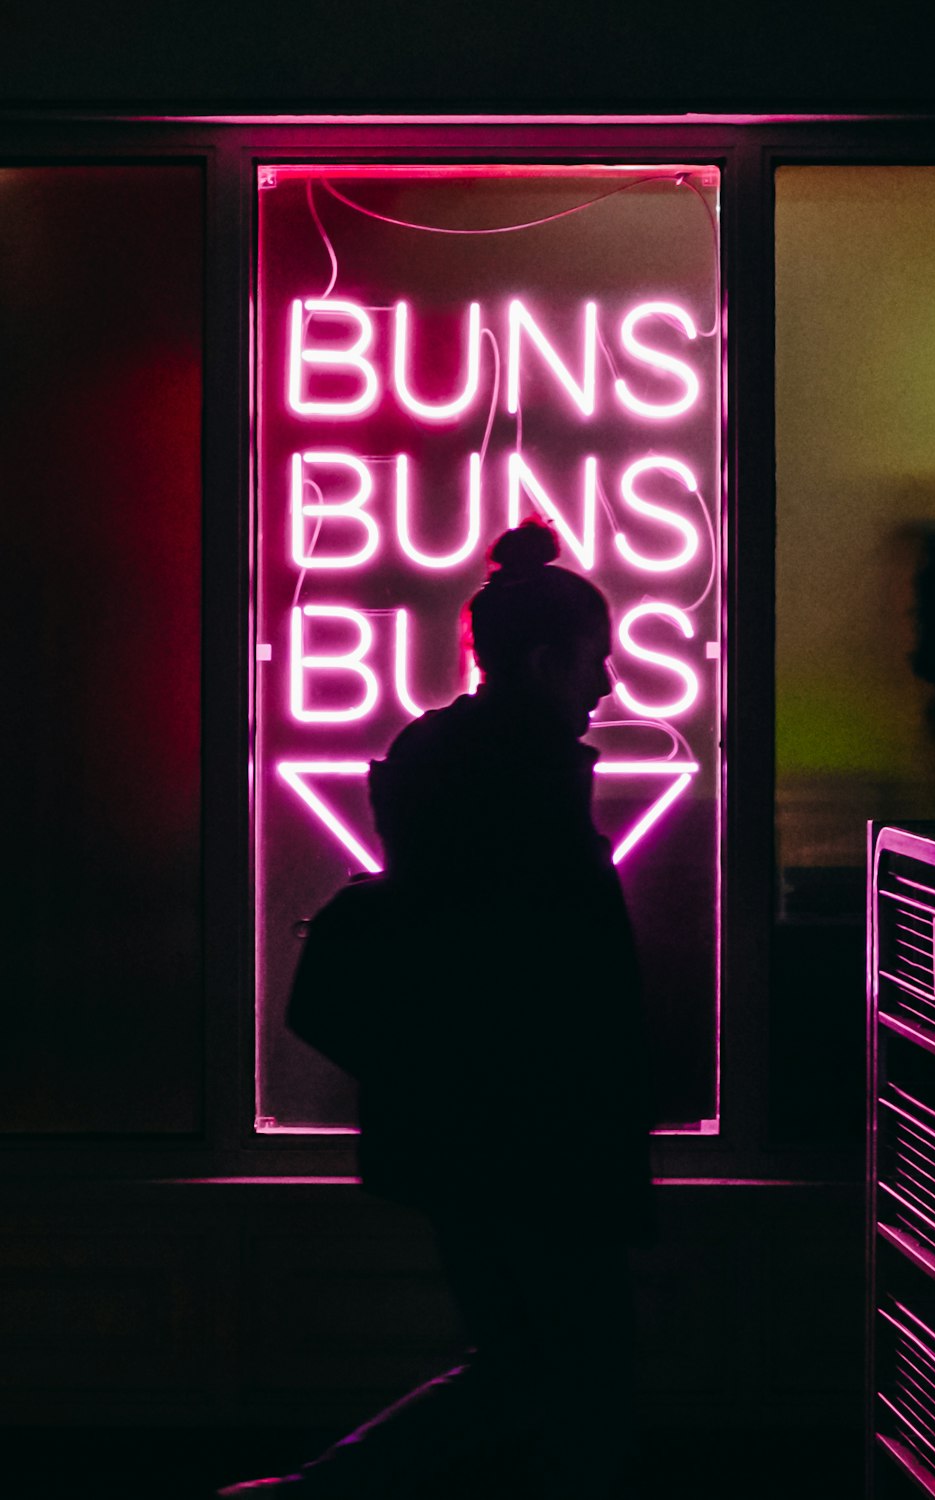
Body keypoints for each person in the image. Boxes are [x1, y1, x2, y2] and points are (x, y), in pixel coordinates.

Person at [219, 518, 655, 1500]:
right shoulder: (526, 797)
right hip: (537, 1137)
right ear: (547, 661)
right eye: (597, 658)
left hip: (467, 1133)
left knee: (524, 1361)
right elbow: (558, 994)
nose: (610, 684)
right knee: (569, 1371)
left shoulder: (449, 773)